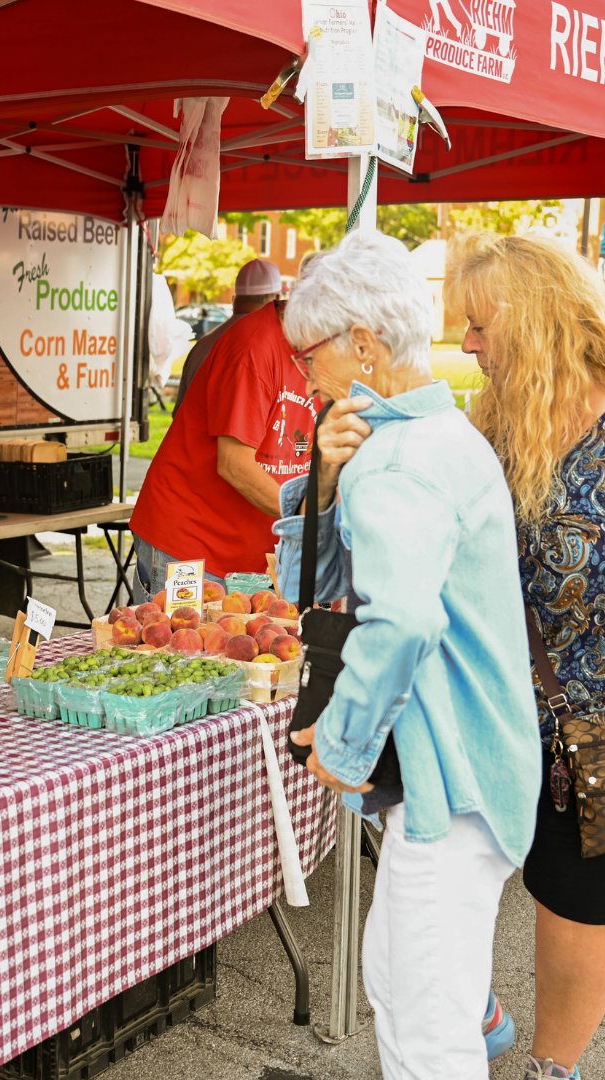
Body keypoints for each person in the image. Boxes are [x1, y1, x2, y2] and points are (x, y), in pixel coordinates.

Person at [273, 229, 541, 1079]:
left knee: (424, 1034)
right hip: (475, 771)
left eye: (309, 353)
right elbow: (316, 582)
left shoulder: (398, 462)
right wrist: (319, 484)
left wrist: (343, 749)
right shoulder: (441, 436)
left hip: (448, 783)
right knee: (403, 979)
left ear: (364, 344)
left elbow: (401, 625)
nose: (302, 374)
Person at [451, 233, 605, 1080]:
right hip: (506, 706)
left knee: (574, 902)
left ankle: (555, 1069)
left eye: (479, 325)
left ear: (534, 318)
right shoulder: (495, 424)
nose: (467, 345)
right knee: (456, 850)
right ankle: (476, 1010)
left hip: (594, 727)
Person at [129, 283, 316, 597]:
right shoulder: (253, 346)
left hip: (253, 556)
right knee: (179, 646)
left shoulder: (321, 351)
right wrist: (311, 520)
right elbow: (234, 465)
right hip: (191, 543)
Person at [175, 258, 280, 406]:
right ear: (276, 298)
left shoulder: (202, 346)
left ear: (235, 299)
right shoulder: (269, 349)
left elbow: (179, 413)